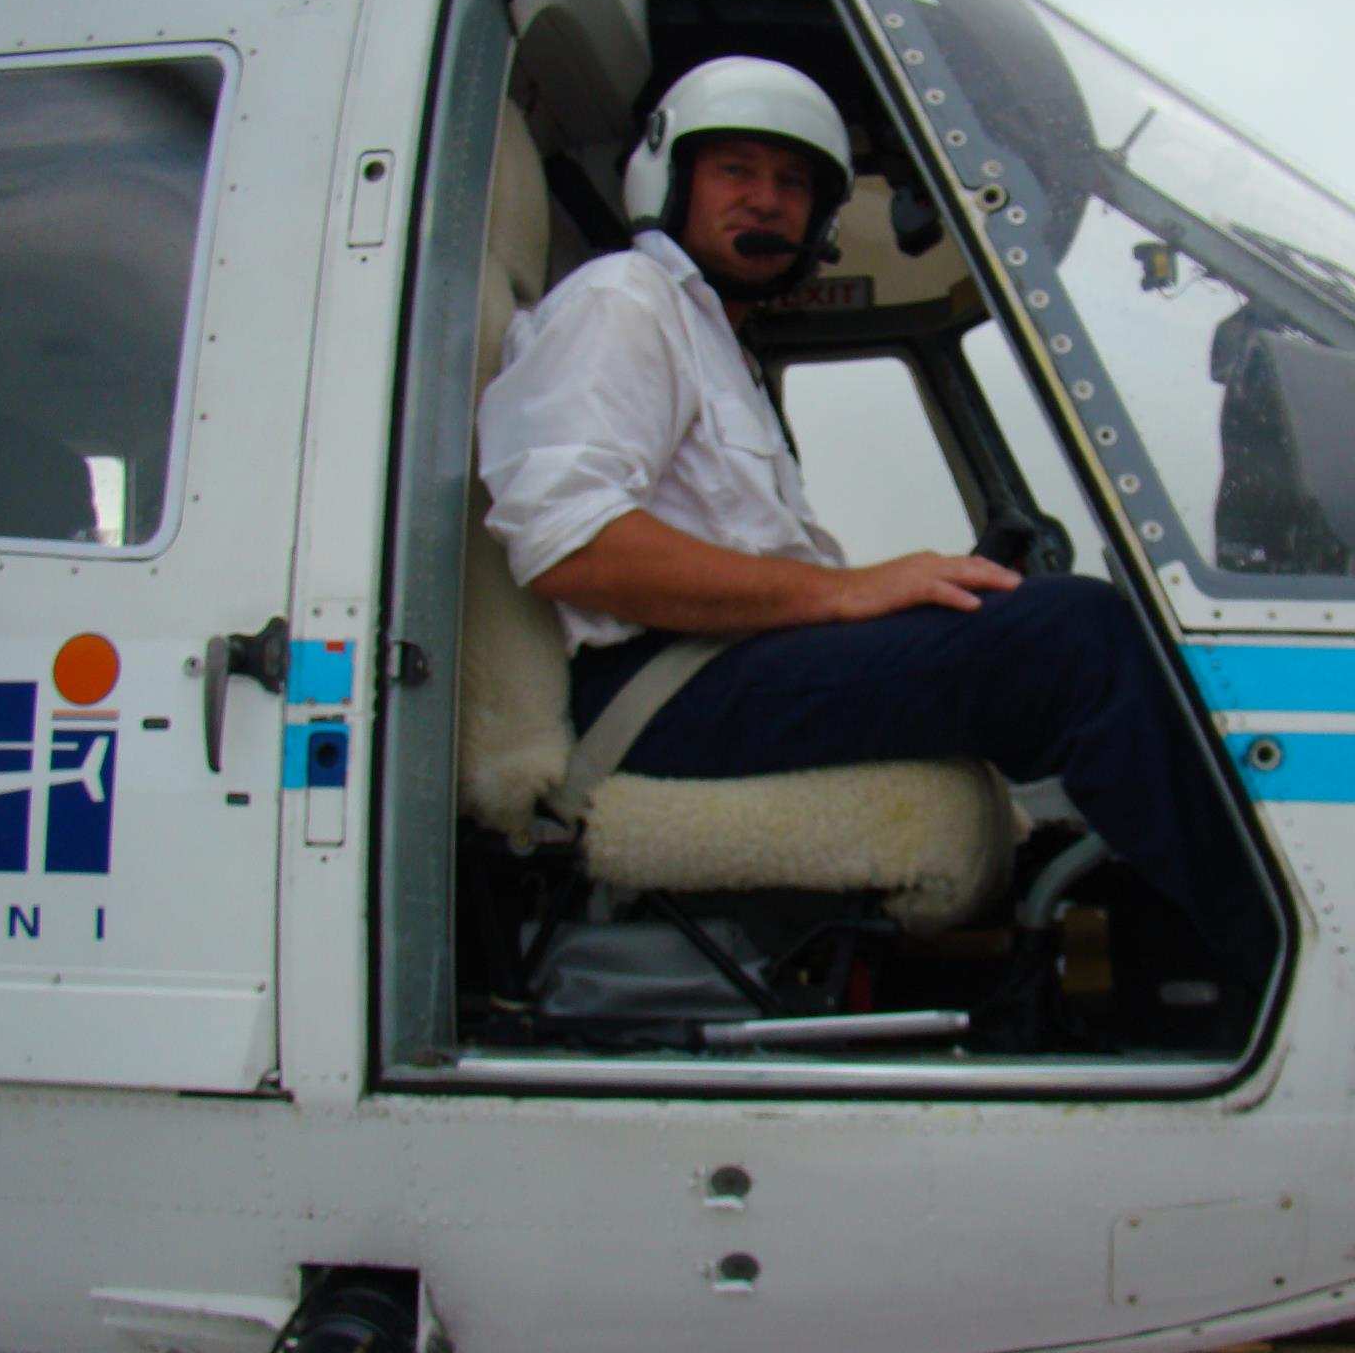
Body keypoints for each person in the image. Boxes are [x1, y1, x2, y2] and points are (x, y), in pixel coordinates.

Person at [477, 56, 1274, 988]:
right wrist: (846, 592)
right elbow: (572, 544)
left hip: (713, 670)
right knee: (1076, 641)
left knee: (1052, 623)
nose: (767, 202)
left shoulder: (715, 344)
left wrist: (875, 596)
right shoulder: (623, 300)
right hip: (656, 693)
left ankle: (1154, 959)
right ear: (674, 180)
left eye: (791, 184)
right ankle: (1269, 959)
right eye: (737, 172)